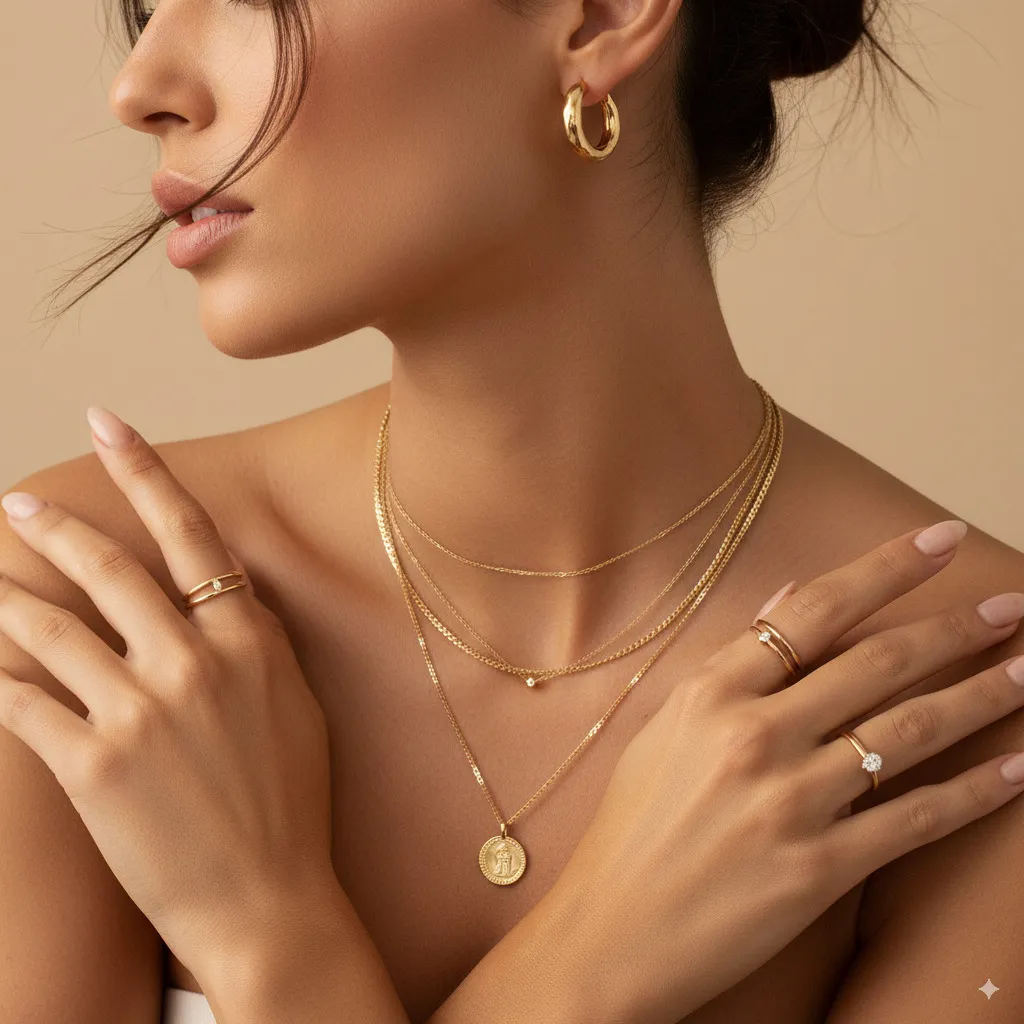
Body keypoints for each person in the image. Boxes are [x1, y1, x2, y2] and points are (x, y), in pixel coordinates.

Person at [1, 0, 1022, 1022]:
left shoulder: (968, 702)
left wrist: (258, 930)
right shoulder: (93, 607)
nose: (140, 89)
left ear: (601, 16)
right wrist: (579, 975)